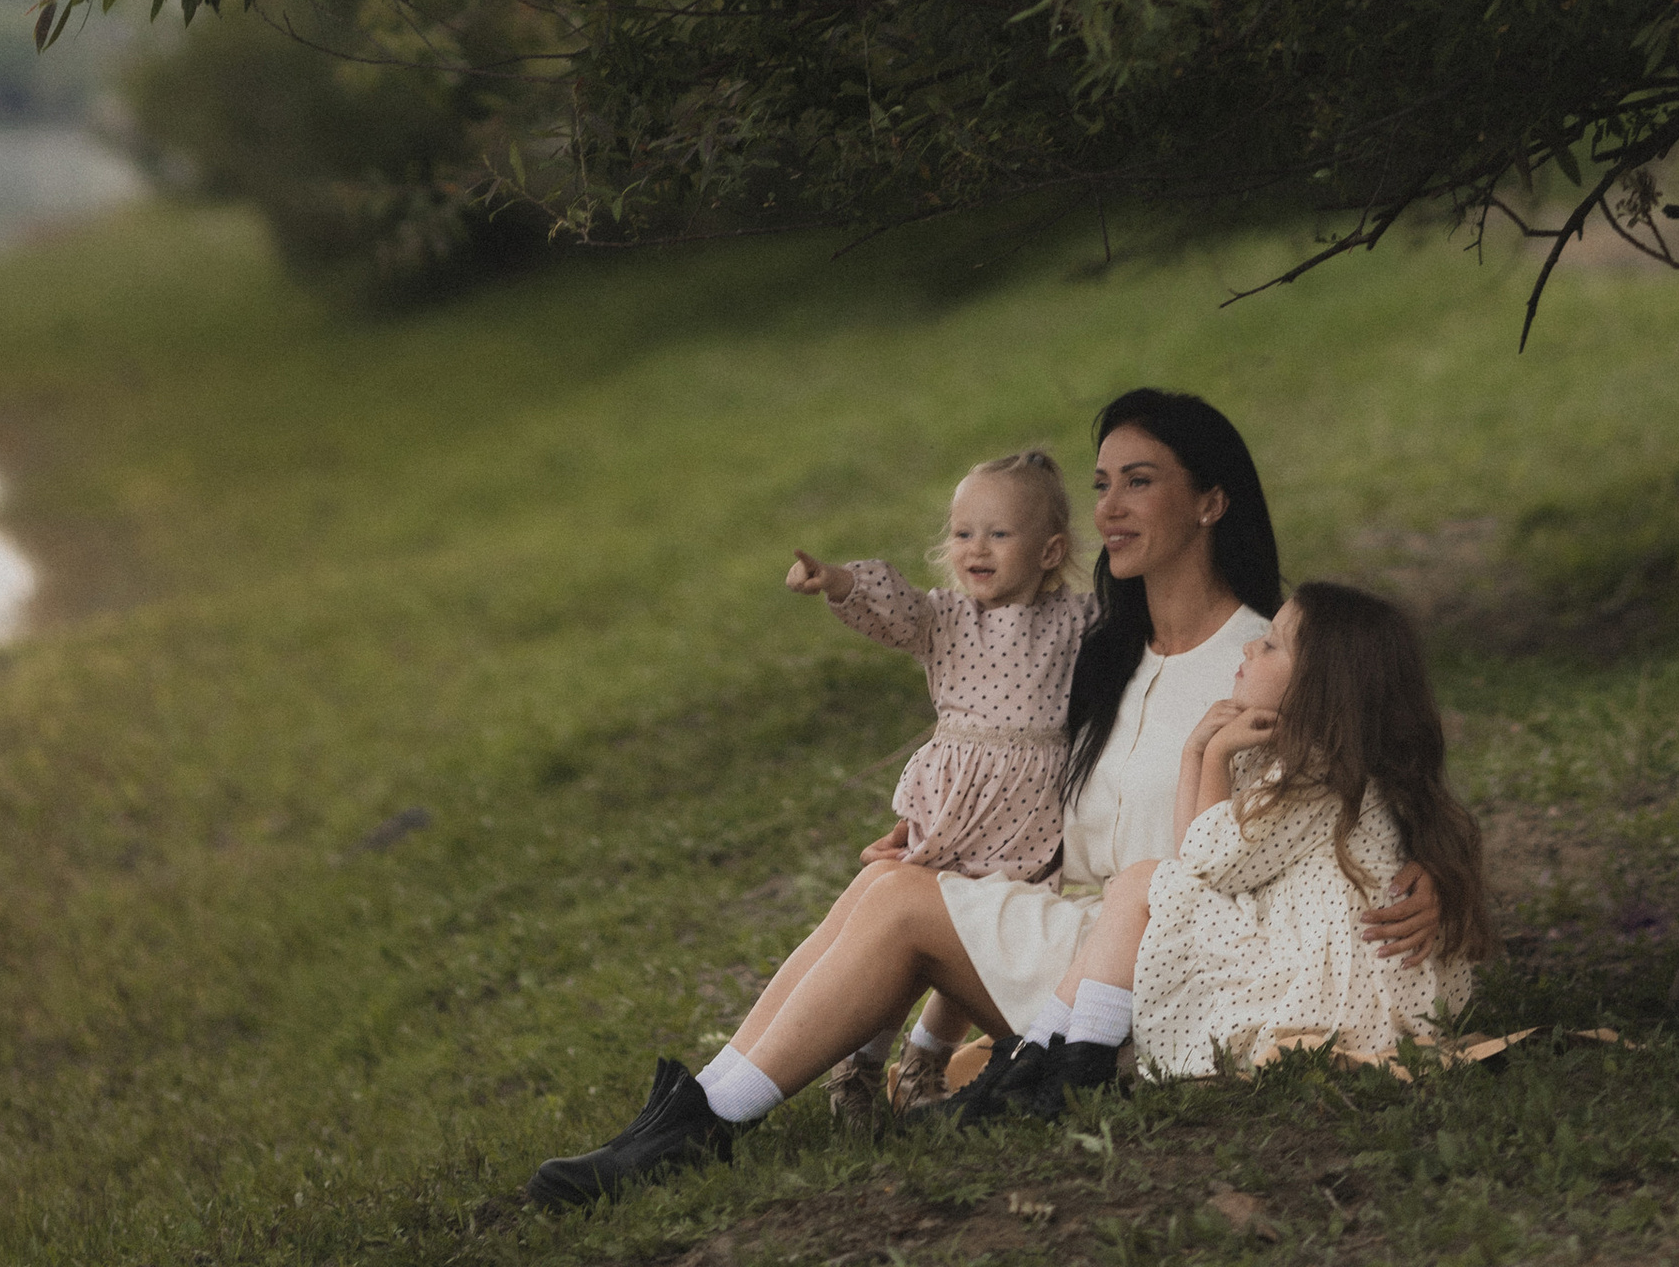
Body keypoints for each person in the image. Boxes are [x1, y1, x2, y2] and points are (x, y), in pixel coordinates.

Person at [527, 389, 1448, 1202]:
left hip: (1169, 979)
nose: (1110, 508)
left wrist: (1430, 874)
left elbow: (1370, 785)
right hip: (1079, 944)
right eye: (1099, 485)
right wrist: (944, 836)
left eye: (1139, 481)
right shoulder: (1097, 651)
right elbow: (1029, 794)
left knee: (897, 907)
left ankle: (702, 1126)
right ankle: (695, 1113)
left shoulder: (1267, 661)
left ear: (1211, 502)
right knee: (890, 883)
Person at [1025, 579, 1491, 1103]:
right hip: (1332, 980)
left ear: (1320, 684)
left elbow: (1201, 864)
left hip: (1335, 1001)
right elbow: (1195, 859)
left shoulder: (1316, 775)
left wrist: (1214, 753)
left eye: (1270, 645)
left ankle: (1058, 1068)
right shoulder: (1311, 763)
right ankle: (1039, 1063)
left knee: (1137, 884)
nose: (1250, 647)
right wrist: (1195, 752)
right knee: (1143, 886)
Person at [787, 446, 1096, 1116]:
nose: (974, 548)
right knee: (918, 933)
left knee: (980, 939)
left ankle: (925, 1062)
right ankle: (861, 1065)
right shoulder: (946, 619)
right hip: (958, 804)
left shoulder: (1075, 621)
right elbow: (891, 610)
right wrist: (839, 581)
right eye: (962, 533)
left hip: (1035, 814)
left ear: (1049, 552)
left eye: (998, 533)